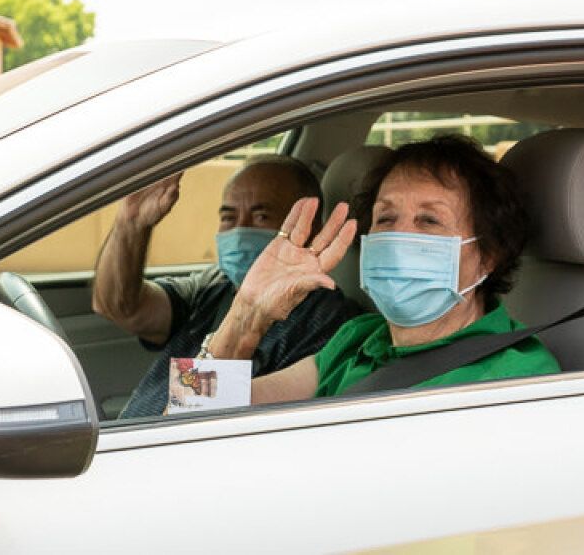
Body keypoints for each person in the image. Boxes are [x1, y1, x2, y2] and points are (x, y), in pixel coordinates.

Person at [204, 135, 560, 404]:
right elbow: (190, 417)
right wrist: (245, 318)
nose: (398, 236)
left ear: (488, 254)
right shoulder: (358, 339)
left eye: (429, 220)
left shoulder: (518, 376)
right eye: (385, 217)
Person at [92, 155, 360, 418]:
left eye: (261, 216)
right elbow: (121, 307)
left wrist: (246, 319)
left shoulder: (329, 324)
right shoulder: (215, 285)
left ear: (311, 229)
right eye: (229, 218)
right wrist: (131, 223)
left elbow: (192, 417)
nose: (240, 231)